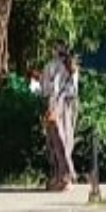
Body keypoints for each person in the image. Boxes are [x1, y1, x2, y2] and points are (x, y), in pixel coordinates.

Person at [34, 44, 80, 191]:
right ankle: (64, 177)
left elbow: (47, 89)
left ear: (55, 51)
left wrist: (36, 83)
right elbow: (74, 89)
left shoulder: (52, 66)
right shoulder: (73, 66)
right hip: (71, 105)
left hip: (56, 105)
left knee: (56, 142)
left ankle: (63, 177)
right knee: (67, 140)